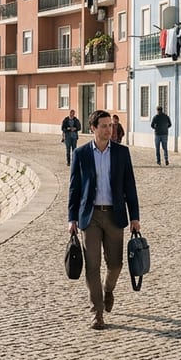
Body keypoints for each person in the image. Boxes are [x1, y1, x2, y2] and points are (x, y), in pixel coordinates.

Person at [67, 110, 142, 331]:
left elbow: (130, 186)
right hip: (89, 217)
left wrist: (135, 216)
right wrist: (71, 218)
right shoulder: (81, 154)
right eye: (104, 126)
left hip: (114, 215)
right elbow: (74, 189)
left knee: (116, 264)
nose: (109, 129)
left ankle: (108, 290)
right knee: (92, 266)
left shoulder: (121, 153)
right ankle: (97, 313)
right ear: (93, 128)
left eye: (111, 126)